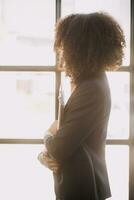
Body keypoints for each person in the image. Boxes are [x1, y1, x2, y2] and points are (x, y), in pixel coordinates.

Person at [41, 12, 125, 200]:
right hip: (82, 183)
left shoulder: (91, 88)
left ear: (78, 49)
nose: (62, 52)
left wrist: (45, 135)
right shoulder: (90, 82)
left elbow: (57, 148)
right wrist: (46, 150)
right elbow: (66, 130)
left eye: (65, 46)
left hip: (83, 187)